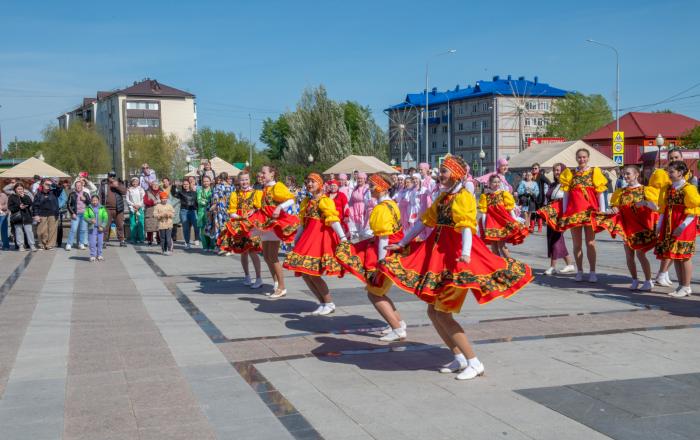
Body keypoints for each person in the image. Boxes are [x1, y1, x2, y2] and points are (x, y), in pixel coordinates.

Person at [382, 154, 533, 380]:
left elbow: (466, 228)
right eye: (440, 171)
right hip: (439, 256)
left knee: (442, 314)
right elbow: (424, 221)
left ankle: (475, 361)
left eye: (443, 171)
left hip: (457, 260)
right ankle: (460, 358)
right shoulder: (443, 197)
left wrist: (464, 253)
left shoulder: (464, 197)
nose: (439, 174)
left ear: (456, 174)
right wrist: (403, 242)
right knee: (433, 312)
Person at [335, 174, 407, 340]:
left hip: (386, 252)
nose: (370, 188)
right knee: (379, 292)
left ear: (382, 187)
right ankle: (398, 323)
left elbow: (384, 237)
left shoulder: (382, 208)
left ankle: (397, 328)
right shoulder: (391, 204)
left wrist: (381, 263)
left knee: (374, 293)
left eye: (373, 185)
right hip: (392, 251)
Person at [538, 148, 608, 282]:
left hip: (590, 212)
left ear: (588, 158)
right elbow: (566, 194)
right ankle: (580, 271)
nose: (582, 159)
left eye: (584, 157)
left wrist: (602, 212)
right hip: (574, 212)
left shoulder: (595, 172)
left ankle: (592, 272)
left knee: (591, 243)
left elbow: (600, 193)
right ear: (576, 158)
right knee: (577, 244)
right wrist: (564, 212)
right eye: (579, 157)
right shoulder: (570, 173)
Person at [283, 173, 346, 315]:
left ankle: (329, 302)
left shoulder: (325, 200)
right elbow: (302, 224)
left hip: (319, 239)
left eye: (313, 182)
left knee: (313, 273)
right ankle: (322, 302)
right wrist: (296, 239)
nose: (309, 184)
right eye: (308, 182)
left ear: (320, 184)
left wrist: (343, 237)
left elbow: (333, 219)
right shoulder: (307, 201)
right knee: (305, 273)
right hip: (307, 239)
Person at [592, 165, 658, 291]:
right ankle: (634, 279)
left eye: (628, 173)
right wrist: (611, 210)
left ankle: (648, 280)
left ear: (636, 174)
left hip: (641, 227)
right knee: (629, 255)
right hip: (626, 227)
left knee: (640, 254)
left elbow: (656, 208)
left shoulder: (646, 190)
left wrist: (646, 203)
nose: (626, 176)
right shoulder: (621, 192)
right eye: (624, 174)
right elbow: (617, 208)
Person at [249, 165, 299, 298]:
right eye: (261, 172)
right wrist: (255, 211)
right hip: (265, 223)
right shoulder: (265, 188)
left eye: (264, 172)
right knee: (266, 256)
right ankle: (276, 283)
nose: (262, 174)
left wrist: (279, 208)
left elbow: (290, 199)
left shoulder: (278, 186)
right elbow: (264, 205)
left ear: (272, 174)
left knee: (273, 256)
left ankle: (282, 287)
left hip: (274, 223)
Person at [647, 148, 695, 287]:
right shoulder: (663, 176)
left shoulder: (688, 181)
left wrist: (684, 224)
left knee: (682, 253)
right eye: (671, 158)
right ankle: (669, 277)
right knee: (672, 249)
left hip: (683, 218)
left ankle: (679, 282)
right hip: (669, 216)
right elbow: (658, 198)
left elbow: (693, 205)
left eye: (676, 157)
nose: (674, 160)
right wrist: (659, 222)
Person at [653, 161, 700, 298]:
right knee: (676, 256)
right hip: (670, 224)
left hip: (683, 225)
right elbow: (663, 209)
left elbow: (693, 211)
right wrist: (659, 225)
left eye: (672, 172)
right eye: (668, 171)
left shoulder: (688, 189)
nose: (669, 174)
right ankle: (681, 285)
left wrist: (682, 226)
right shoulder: (667, 188)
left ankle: (686, 286)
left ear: (680, 173)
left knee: (684, 256)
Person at [219, 171, 263, 288]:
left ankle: (258, 278)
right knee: (243, 252)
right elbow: (231, 212)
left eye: (246, 179)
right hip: (239, 225)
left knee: (253, 251)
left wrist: (254, 210)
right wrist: (240, 217)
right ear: (238, 181)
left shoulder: (256, 193)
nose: (244, 182)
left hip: (252, 225)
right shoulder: (235, 194)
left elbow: (261, 209)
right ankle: (247, 276)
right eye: (242, 180)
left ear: (250, 180)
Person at [479, 174, 529, 258]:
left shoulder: (503, 194)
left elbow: (510, 209)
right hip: (491, 223)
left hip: (502, 222)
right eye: (494, 182)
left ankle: (510, 264)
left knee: (501, 246)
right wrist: (484, 226)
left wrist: (515, 219)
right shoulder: (485, 196)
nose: (497, 184)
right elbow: (484, 212)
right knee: (493, 246)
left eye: (498, 182)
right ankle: (499, 265)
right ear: (490, 183)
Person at [541, 163, 575, 275]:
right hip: (550, 214)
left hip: (560, 215)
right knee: (553, 238)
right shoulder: (553, 184)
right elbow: (548, 199)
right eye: (555, 170)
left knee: (556, 238)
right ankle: (569, 264)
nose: (557, 172)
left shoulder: (567, 185)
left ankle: (552, 266)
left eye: (559, 170)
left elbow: (569, 201)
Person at [99, 172, 127, 247]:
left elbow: (124, 192)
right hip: (107, 208)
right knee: (105, 225)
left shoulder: (119, 183)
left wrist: (116, 186)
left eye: (113, 176)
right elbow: (100, 196)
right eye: (110, 176)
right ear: (108, 176)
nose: (112, 177)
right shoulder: (104, 184)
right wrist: (100, 207)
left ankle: (122, 240)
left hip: (118, 208)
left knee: (120, 225)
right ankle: (104, 241)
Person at [32, 178, 60, 250]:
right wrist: (36, 215)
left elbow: (60, 188)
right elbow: (35, 205)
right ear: (42, 184)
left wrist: (53, 184)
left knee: (52, 230)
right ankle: (42, 244)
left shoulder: (54, 192)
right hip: (42, 213)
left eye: (49, 184)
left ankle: (50, 245)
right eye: (46, 184)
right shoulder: (38, 194)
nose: (48, 185)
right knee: (41, 231)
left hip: (53, 213)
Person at [8, 183, 36, 251]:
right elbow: (10, 207)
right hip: (17, 217)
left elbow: (30, 203)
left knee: (29, 231)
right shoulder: (12, 197)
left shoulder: (26, 196)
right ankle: (20, 246)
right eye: (18, 189)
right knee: (19, 232)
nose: (20, 190)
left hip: (26, 216)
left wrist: (23, 197)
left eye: (21, 189)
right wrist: (18, 207)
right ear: (15, 189)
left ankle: (32, 245)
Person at [210, 172, 233, 254]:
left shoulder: (217, 187)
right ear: (227, 178)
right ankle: (228, 247)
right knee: (228, 227)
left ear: (220, 178)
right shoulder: (231, 187)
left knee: (219, 228)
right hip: (228, 210)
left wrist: (214, 207)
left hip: (219, 209)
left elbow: (214, 199)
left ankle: (220, 247)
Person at [65, 180, 91, 251]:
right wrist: (72, 213)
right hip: (76, 214)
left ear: (82, 186)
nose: (78, 187)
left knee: (83, 230)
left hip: (84, 214)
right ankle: (69, 244)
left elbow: (90, 203)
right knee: (73, 229)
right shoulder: (72, 194)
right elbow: (68, 205)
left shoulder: (85, 194)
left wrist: (85, 199)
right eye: (77, 186)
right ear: (75, 187)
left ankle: (81, 243)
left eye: (80, 185)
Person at [173, 179, 199, 248]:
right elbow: (173, 193)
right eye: (184, 184)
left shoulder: (194, 193)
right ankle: (187, 242)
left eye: (187, 184)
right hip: (184, 211)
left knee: (196, 226)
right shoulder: (180, 193)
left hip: (193, 211)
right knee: (186, 228)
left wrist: (197, 210)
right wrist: (174, 185)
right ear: (182, 185)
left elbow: (197, 202)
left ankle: (197, 239)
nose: (185, 185)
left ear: (189, 184)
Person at [347, 172, 372, 239]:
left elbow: (370, 201)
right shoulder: (355, 188)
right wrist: (350, 210)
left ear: (365, 179)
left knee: (364, 230)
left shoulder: (367, 188)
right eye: (358, 178)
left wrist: (367, 211)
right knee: (355, 231)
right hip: (354, 210)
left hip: (364, 210)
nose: (359, 180)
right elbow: (351, 201)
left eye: (361, 178)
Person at [84, 194, 108, 262]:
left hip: (100, 228)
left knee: (100, 242)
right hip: (92, 228)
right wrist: (90, 220)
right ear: (91, 201)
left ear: (98, 201)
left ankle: (99, 255)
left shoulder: (102, 208)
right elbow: (85, 217)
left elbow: (105, 217)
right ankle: (92, 255)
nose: (94, 202)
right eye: (93, 200)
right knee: (92, 242)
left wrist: (102, 226)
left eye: (96, 200)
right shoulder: (88, 208)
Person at [530, 163, 550, 232]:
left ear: (538, 169)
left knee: (539, 212)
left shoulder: (541, 176)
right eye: (533, 168)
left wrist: (549, 191)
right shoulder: (530, 176)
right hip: (532, 197)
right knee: (532, 212)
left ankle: (540, 227)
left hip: (540, 198)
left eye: (536, 168)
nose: (534, 170)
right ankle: (532, 227)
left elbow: (548, 182)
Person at [196, 175, 214, 251]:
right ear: (202, 182)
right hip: (202, 212)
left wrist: (205, 201)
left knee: (211, 228)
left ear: (210, 182)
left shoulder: (213, 190)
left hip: (211, 212)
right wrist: (208, 201)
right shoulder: (200, 190)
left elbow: (214, 201)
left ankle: (212, 246)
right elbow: (199, 201)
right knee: (203, 229)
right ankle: (205, 246)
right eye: (204, 181)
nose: (206, 182)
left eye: (207, 181)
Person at [126, 177, 145, 244]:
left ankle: (141, 238)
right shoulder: (129, 190)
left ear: (138, 182)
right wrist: (133, 205)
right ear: (131, 182)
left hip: (140, 208)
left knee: (140, 223)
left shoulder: (141, 189)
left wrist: (139, 205)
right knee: (133, 223)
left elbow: (143, 198)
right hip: (132, 208)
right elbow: (127, 199)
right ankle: (133, 238)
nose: (135, 183)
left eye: (136, 182)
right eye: (133, 182)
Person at [143, 181, 161, 246]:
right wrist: (153, 202)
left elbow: (165, 199)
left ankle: (159, 240)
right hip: (150, 211)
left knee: (159, 227)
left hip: (159, 211)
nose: (155, 186)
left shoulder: (161, 192)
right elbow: (145, 201)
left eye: (157, 185)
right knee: (150, 227)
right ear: (151, 186)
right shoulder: (147, 192)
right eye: (154, 185)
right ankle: (149, 240)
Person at [169, 182, 181, 252]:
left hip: (178, 209)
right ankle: (171, 237)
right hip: (173, 209)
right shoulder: (171, 193)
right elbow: (170, 202)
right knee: (172, 224)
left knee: (175, 224)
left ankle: (174, 237)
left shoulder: (179, 191)